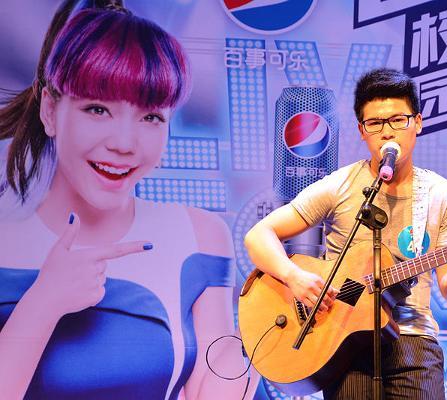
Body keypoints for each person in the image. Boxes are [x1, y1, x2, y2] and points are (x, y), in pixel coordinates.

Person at [0, 1, 256, 399]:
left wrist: (258, 344)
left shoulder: (200, 235)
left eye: (151, 117)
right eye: (97, 109)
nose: (124, 144)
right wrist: (43, 303)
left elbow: (213, 383)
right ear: (50, 110)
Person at [244, 68, 447, 399]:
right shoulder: (340, 185)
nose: (387, 132)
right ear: (362, 131)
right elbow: (258, 235)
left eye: (398, 120)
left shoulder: (441, 194)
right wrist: (294, 277)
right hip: (344, 336)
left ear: (418, 123)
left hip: (413, 339)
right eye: (375, 123)